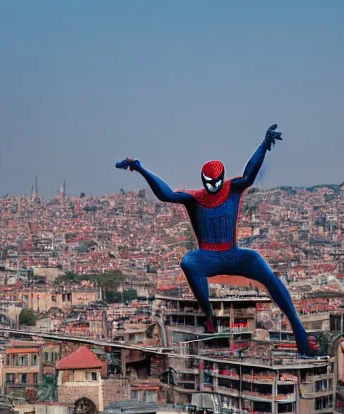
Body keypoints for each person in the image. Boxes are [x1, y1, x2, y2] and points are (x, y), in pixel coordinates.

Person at [116, 125, 315, 356]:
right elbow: (166, 195)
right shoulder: (196, 198)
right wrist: (140, 169)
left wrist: (264, 145)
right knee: (189, 261)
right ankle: (209, 316)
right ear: (203, 180)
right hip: (209, 256)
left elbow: (249, 174)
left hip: (232, 253)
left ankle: (302, 341)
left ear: (221, 179)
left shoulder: (231, 189)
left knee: (272, 279)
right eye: (208, 183)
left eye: (216, 183)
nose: (213, 188)